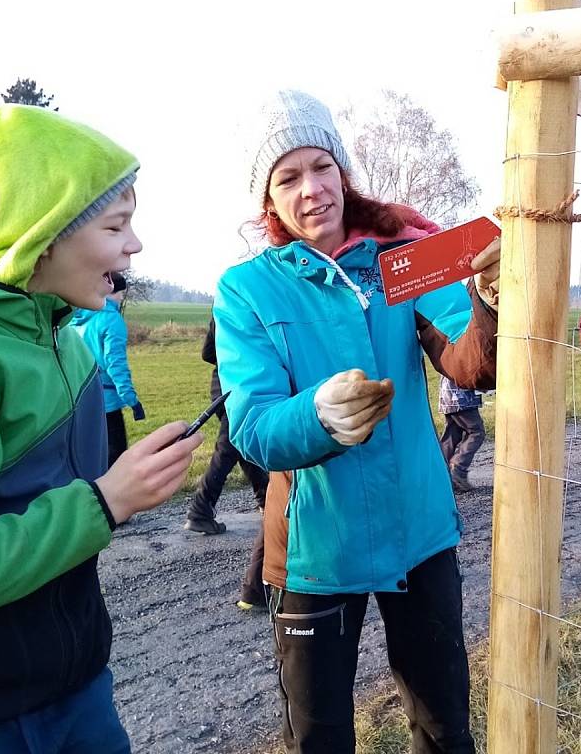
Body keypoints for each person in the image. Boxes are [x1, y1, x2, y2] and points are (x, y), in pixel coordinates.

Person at [214, 90, 500, 754]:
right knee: (318, 740)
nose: (312, 190)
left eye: (322, 167)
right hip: (316, 552)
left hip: (419, 532)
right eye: (288, 178)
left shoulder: (404, 258)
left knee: (446, 730)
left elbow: (469, 365)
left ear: (343, 169)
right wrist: (317, 416)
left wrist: (486, 302)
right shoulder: (247, 289)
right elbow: (253, 425)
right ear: (268, 199)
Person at [0, 104, 203, 754]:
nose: (134, 245)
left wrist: (123, 484)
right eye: (116, 225)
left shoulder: (75, 348)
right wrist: (109, 499)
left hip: (80, 680)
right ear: (42, 234)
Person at [184, 315, 270, 610]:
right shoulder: (247, 301)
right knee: (227, 452)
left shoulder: (223, 303)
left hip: (224, 388)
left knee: (240, 450)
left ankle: (263, 497)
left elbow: (208, 352)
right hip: (235, 391)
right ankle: (200, 508)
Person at [72, 272, 146, 466]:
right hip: (107, 401)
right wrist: (132, 400)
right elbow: (116, 364)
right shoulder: (112, 320)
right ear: (111, 291)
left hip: (79, 398)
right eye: (120, 292)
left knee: (87, 456)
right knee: (116, 458)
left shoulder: (76, 320)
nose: (121, 297)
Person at [438, 376, 486, 493]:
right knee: (476, 432)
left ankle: (440, 474)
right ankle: (458, 468)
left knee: (451, 436)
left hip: (448, 396)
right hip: (462, 398)